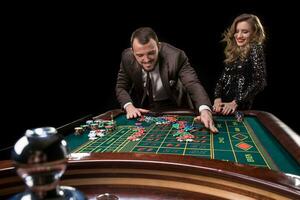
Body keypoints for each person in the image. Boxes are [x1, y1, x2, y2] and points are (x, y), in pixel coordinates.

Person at [116, 27, 218, 133]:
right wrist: (128, 106)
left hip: (176, 106)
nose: (146, 60)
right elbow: (121, 87)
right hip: (147, 107)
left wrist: (205, 110)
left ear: (158, 47)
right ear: (133, 52)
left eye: (151, 53)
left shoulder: (176, 56)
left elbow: (192, 84)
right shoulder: (127, 57)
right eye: (140, 55)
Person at [213, 13, 267, 115]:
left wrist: (236, 102)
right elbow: (223, 79)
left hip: (240, 109)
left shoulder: (256, 48)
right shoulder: (234, 51)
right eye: (237, 31)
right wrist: (217, 98)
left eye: (245, 32)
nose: (239, 35)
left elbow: (260, 81)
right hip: (223, 107)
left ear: (254, 33)